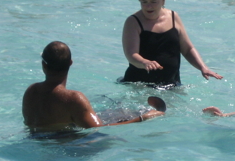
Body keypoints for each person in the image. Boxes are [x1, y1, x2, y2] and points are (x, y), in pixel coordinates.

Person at [23, 41, 164, 132]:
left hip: (36, 141)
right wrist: (141, 119)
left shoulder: (30, 91)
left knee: (111, 111)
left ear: (44, 65)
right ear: (70, 63)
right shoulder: (73, 98)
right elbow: (98, 129)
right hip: (67, 146)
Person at [120, 0, 222, 87]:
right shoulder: (133, 22)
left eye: (154, 1)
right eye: (144, 2)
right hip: (139, 85)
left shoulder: (174, 17)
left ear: (163, 0)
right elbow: (131, 54)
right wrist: (145, 62)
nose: (148, 6)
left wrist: (203, 67)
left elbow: (187, 49)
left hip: (171, 84)